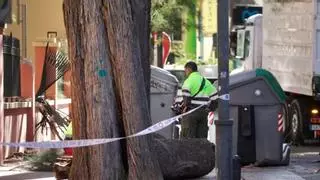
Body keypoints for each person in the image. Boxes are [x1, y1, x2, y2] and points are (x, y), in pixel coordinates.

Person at [179, 61, 218, 138]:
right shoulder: (205, 81)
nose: (185, 73)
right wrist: (210, 109)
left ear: (189, 69)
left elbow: (186, 95)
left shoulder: (189, 81)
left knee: (188, 138)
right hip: (203, 113)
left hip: (191, 113)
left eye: (185, 71)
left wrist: (185, 105)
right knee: (201, 138)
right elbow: (215, 98)